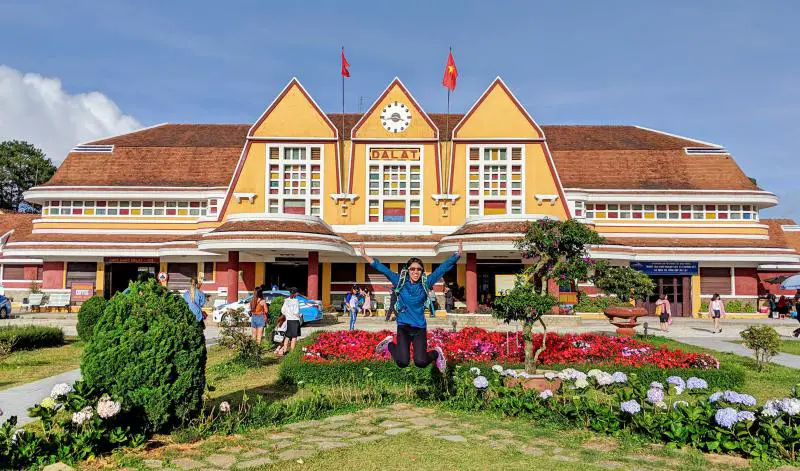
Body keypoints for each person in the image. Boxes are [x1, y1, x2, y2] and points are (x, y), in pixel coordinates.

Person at [361, 241, 462, 373]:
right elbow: (383, 269)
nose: (416, 272)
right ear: (407, 270)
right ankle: (389, 345)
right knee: (403, 362)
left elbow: (441, 269)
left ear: (422, 271)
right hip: (403, 326)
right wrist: (365, 256)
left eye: (419, 269)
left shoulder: (426, 282)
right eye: (412, 269)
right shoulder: (400, 281)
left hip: (419, 327)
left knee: (420, 362)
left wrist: (457, 255)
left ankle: (437, 353)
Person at [278, 287, 302, 355]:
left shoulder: (286, 300)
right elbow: (296, 312)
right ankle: (292, 352)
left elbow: (283, 311)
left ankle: (284, 350)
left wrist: (288, 315)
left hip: (288, 320)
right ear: (295, 293)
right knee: (294, 337)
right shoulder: (296, 301)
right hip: (295, 321)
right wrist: (300, 315)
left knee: (288, 336)